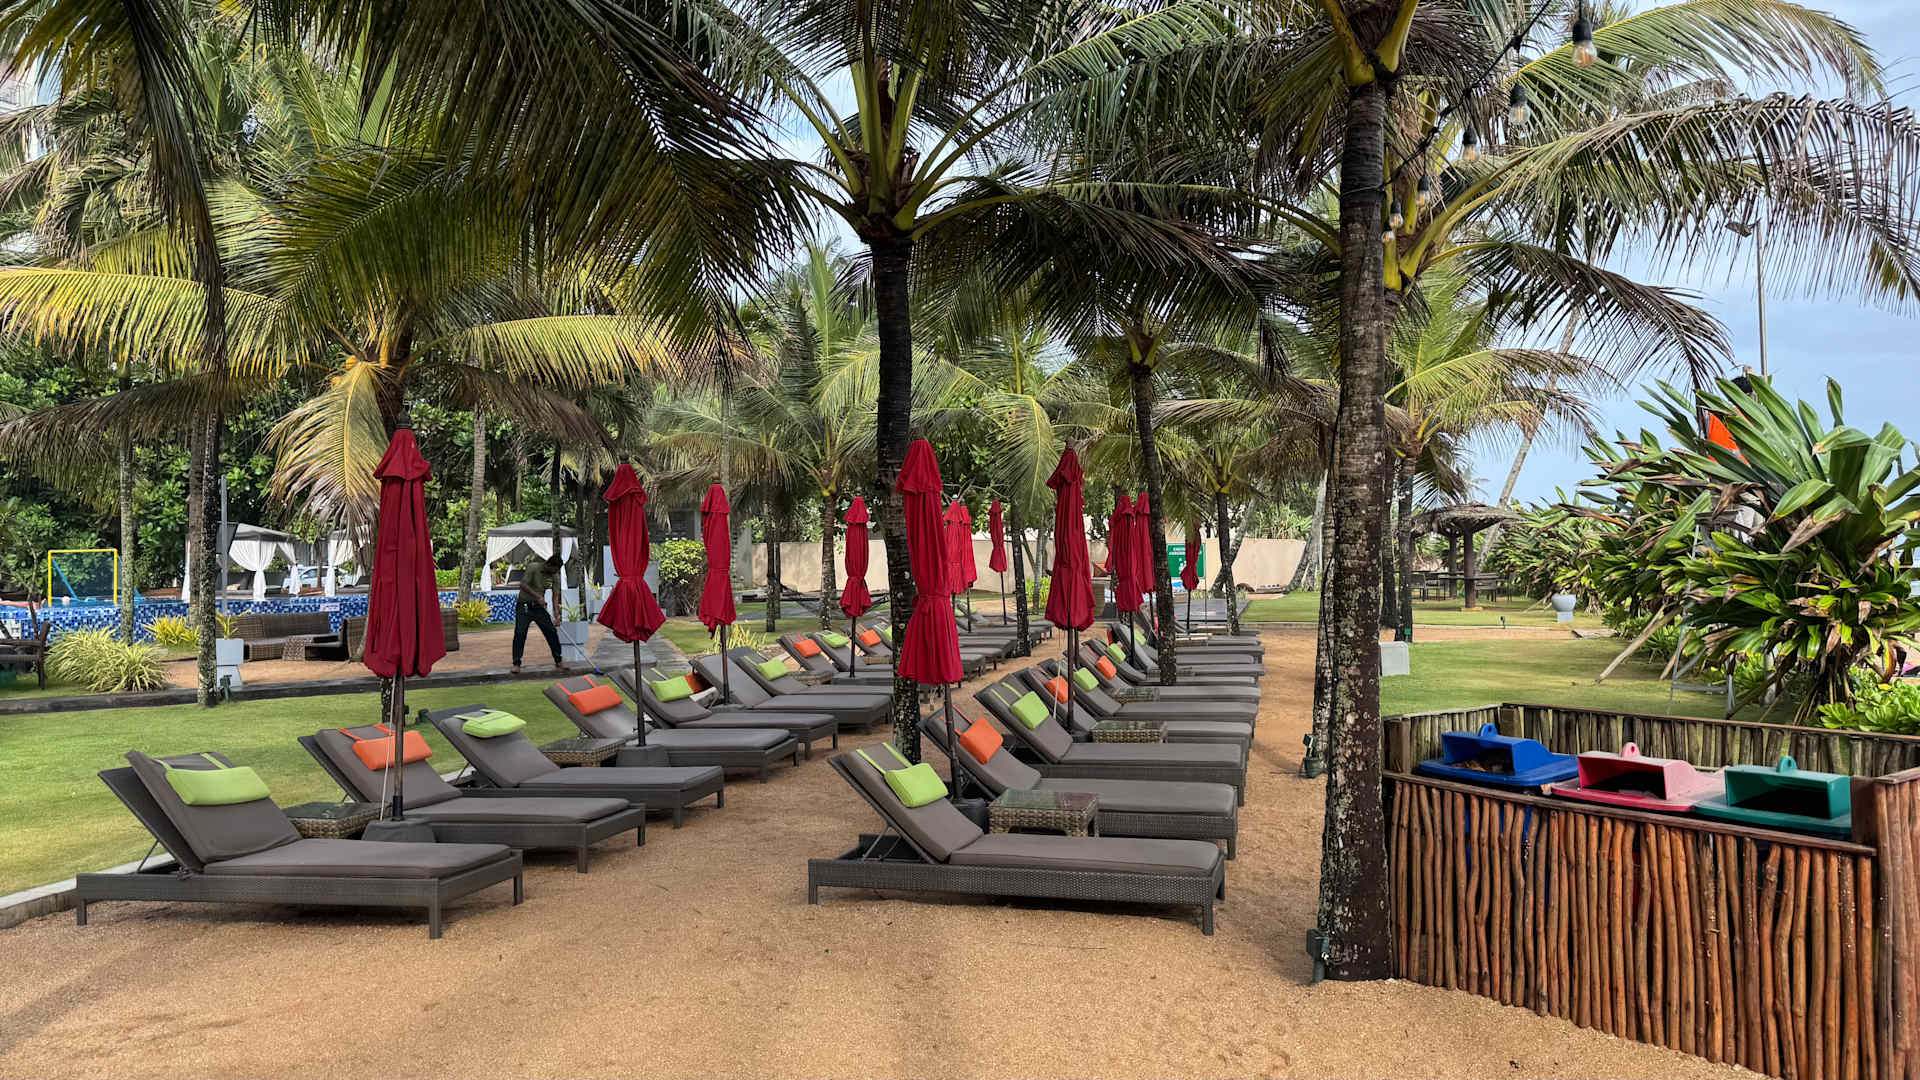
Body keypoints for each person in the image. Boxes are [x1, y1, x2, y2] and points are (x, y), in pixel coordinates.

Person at [511, 554, 564, 673]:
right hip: (524, 606)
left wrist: (557, 614)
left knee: (551, 631)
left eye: (556, 571)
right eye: (553, 570)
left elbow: (555, 596)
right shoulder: (533, 567)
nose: (554, 573)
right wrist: (538, 596)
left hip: (539, 608)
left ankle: (558, 660)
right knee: (520, 633)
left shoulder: (555, 575)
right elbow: (523, 584)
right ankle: (516, 663)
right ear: (548, 565)